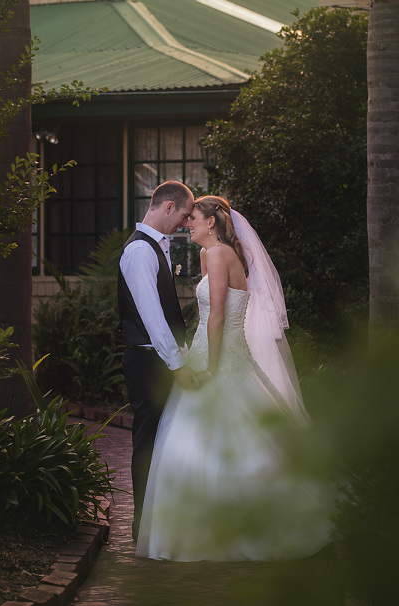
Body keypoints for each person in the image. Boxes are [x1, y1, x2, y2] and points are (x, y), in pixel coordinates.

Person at [136, 195, 332, 561]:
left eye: (192, 218)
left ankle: (225, 530)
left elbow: (217, 317)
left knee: (226, 436)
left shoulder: (219, 254)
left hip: (222, 355)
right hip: (208, 350)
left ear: (211, 221)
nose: (187, 224)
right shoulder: (207, 255)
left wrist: (210, 365)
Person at [118, 180, 198, 542]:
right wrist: (177, 366)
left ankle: (161, 521)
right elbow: (152, 317)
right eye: (183, 214)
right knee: (149, 442)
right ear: (168, 207)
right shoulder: (140, 252)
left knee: (167, 440)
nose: (185, 221)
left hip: (161, 360)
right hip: (150, 363)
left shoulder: (159, 247)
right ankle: (143, 526)